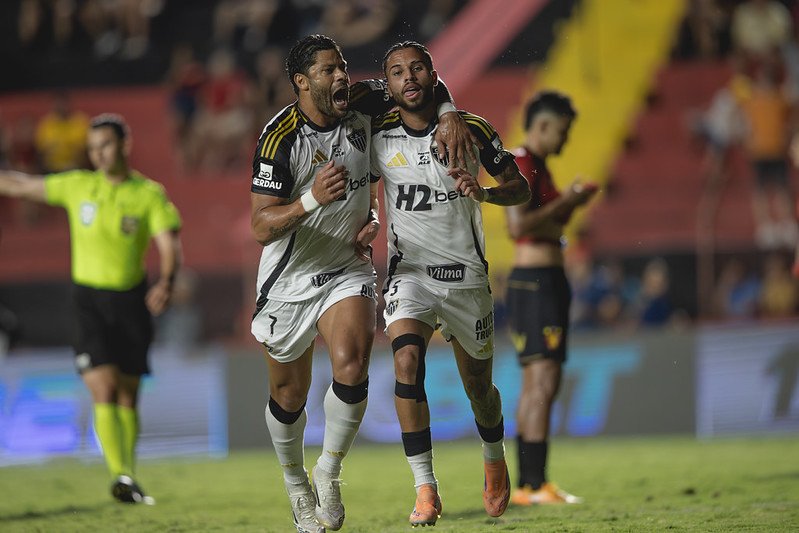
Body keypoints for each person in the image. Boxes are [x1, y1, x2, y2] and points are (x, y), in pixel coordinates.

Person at [249, 34, 474, 533]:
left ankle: (328, 472)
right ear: (302, 82)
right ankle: (295, 482)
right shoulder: (279, 137)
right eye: (328, 71)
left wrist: (448, 113)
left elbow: (421, 85)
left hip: (346, 266)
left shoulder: (364, 101)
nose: (341, 77)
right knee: (289, 395)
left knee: (352, 366)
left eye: (343, 67)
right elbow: (261, 226)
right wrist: (311, 199)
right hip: (290, 277)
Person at [370, 41, 530, 526]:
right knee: (406, 363)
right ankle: (425, 488)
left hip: (466, 279)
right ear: (389, 84)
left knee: (478, 387)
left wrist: (484, 193)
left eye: (418, 68)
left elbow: (520, 187)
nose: (409, 77)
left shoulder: (472, 129)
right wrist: (366, 221)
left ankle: (494, 456)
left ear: (433, 74)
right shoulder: (377, 133)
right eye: (398, 72)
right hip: (409, 274)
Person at [0, 113, 182, 504]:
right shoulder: (78, 186)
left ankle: (127, 474)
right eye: (93, 148)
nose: (98, 154)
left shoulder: (148, 194)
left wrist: (167, 281)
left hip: (131, 301)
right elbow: (20, 184)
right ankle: (120, 474)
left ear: (125, 145)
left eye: (106, 145)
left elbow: (168, 242)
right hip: (88, 303)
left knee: (128, 396)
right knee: (103, 387)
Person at [504, 91, 598, 506]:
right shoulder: (521, 162)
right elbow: (518, 225)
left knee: (537, 382)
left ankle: (528, 485)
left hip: (540, 281)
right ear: (542, 125)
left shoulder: (537, 166)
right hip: (536, 281)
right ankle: (534, 484)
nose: (566, 139)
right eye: (563, 130)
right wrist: (569, 201)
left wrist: (570, 205)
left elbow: (546, 222)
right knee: (543, 380)